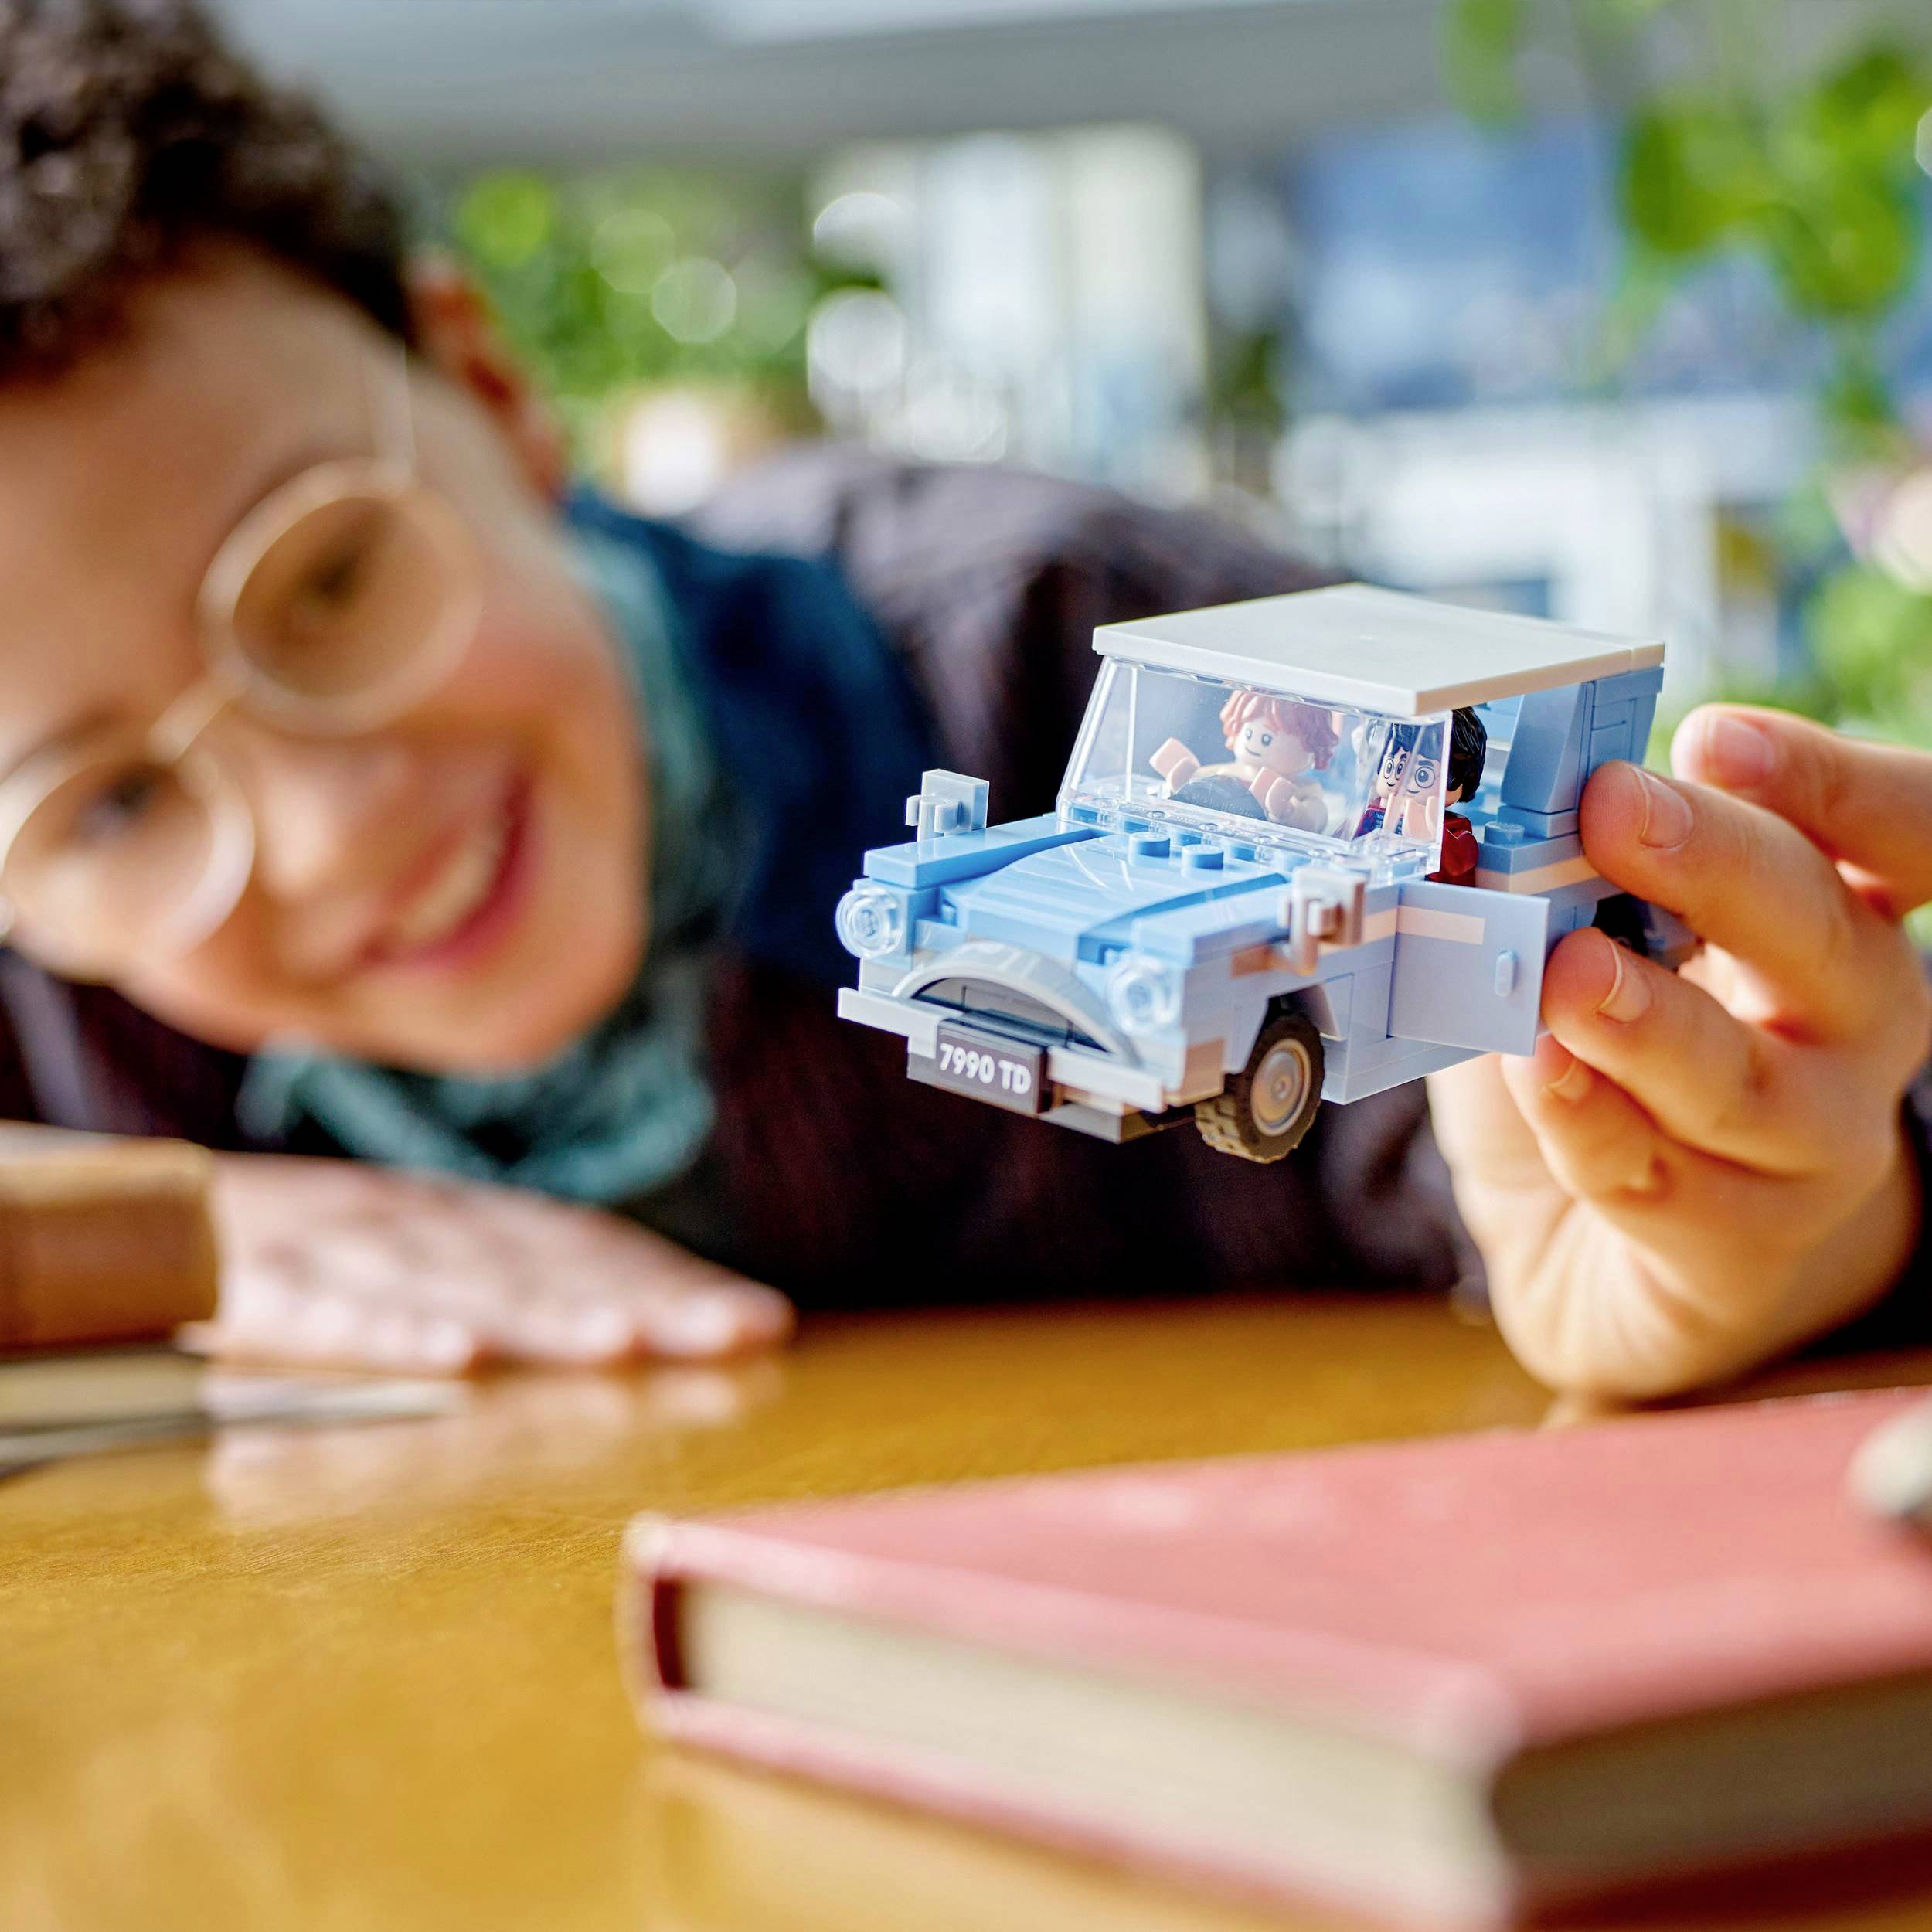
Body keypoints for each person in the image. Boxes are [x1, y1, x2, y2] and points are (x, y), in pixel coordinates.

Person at [0, 0, 1927, 1400]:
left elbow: (1594, 1119)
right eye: (101, 807)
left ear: (493, 401)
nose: (333, 827)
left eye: (330, 577)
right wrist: (172, 1231)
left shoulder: (1071, 648)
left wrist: (1785, 1217)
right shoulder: (78, 1033)